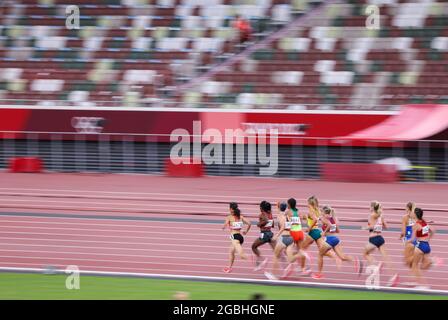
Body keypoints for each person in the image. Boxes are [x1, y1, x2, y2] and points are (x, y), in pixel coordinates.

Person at [311, 206, 361, 280]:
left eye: (322, 212)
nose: (321, 213)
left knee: (320, 254)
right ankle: (355, 261)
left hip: (329, 239)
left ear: (324, 213)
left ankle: (319, 274)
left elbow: (328, 224)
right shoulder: (334, 219)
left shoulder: (323, 218)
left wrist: (324, 233)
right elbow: (338, 231)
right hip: (336, 239)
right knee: (342, 257)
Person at [264, 200, 308, 280]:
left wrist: (276, 236)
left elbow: (283, 226)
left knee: (276, 255)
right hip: (290, 238)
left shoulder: (280, 216)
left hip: (283, 238)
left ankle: (272, 274)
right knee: (290, 259)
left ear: (279, 208)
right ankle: (301, 254)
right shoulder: (289, 215)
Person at [362, 201, 399, 287]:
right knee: (386, 258)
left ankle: (376, 265)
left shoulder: (371, 215)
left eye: (370, 206)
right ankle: (394, 276)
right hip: (380, 238)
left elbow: (371, 226)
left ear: (372, 207)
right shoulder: (380, 216)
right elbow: (386, 227)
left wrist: (365, 227)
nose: (369, 208)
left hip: (373, 239)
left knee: (365, 253)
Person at [299, 196, 336, 275]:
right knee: (323, 251)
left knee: (302, 249)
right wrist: (306, 217)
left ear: (310, 204)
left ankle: (303, 270)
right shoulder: (318, 210)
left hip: (312, 232)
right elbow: (314, 219)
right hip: (317, 232)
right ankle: (337, 257)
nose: (307, 205)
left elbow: (315, 219)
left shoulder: (311, 211)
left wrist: (309, 228)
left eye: (307, 203)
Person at [409, 207, 443, 289]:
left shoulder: (416, 225)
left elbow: (413, 239)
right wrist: (428, 239)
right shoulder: (424, 222)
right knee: (422, 267)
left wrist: (406, 241)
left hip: (420, 246)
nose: (412, 214)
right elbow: (433, 230)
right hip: (427, 245)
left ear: (416, 215)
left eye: (413, 212)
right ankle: (432, 261)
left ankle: (422, 285)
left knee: (414, 265)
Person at [222, 202, 251, 273]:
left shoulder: (229, 217)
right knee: (231, 251)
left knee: (241, 255)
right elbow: (249, 223)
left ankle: (255, 260)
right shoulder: (240, 217)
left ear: (231, 209)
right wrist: (246, 232)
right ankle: (229, 268)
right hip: (240, 237)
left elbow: (224, 225)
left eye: (229, 208)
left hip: (235, 237)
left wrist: (224, 226)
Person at [252, 200, 276, 271]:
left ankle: (262, 260)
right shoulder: (270, 213)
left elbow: (266, 220)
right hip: (270, 234)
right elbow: (272, 223)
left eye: (260, 207)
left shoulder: (262, 214)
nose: (259, 208)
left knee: (254, 247)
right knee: (277, 251)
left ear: (262, 208)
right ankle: (287, 265)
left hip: (264, 234)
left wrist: (259, 224)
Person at [399, 202, 416, 268]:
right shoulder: (416, 216)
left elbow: (403, 232)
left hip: (408, 239)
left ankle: (424, 258)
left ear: (408, 208)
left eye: (406, 208)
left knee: (407, 260)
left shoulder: (405, 218)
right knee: (410, 261)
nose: (405, 209)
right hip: (417, 238)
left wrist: (400, 236)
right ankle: (413, 272)